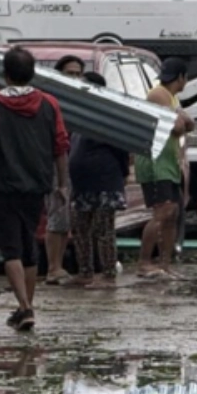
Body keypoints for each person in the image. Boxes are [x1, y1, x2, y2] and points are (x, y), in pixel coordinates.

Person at [0, 47, 70, 331]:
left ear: (6, 74)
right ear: (33, 73)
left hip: (5, 185)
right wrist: (61, 183)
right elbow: (60, 145)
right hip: (37, 186)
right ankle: (28, 306)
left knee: (10, 247)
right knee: (29, 246)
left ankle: (24, 307)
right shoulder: (49, 103)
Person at [134, 57, 194, 280]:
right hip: (155, 162)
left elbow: (189, 124)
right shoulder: (159, 94)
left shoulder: (173, 98)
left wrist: (181, 119)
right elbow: (178, 127)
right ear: (183, 78)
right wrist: (181, 119)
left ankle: (165, 263)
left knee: (173, 212)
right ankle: (144, 262)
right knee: (162, 211)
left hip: (169, 163)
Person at [69, 71, 129, 289]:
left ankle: (108, 275)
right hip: (81, 183)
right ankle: (85, 272)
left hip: (105, 181)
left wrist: (119, 177)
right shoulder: (78, 115)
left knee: (103, 229)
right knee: (79, 227)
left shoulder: (107, 115)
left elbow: (121, 149)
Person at [45, 55, 85, 285]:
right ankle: (53, 267)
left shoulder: (79, 101)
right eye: (70, 73)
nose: (75, 78)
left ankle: (57, 266)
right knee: (56, 214)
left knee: (64, 217)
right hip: (53, 163)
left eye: (78, 73)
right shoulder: (52, 101)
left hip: (69, 163)